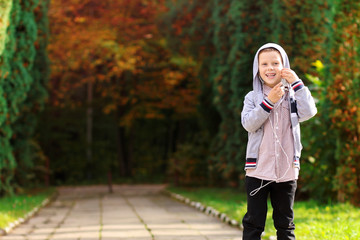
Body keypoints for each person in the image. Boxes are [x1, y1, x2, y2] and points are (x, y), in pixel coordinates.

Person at [241, 43, 317, 240]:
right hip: (258, 170)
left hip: (286, 171)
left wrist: (297, 83)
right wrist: (269, 102)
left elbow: (309, 112)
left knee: (285, 223)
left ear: (285, 66)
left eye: (276, 63)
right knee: (253, 222)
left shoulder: (292, 97)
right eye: (264, 64)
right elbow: (248, 124)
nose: (270, 68)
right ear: (257, 69)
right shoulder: (252, 98)